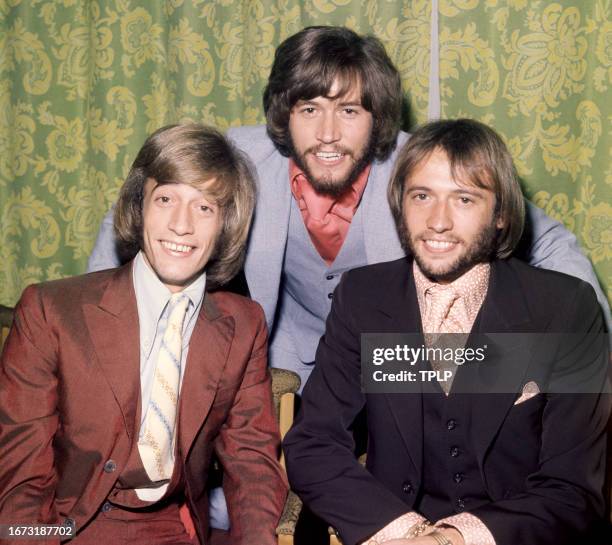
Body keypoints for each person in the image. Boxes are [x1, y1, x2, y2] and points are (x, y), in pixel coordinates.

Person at [88, 27, 610, 394]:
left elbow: (549, 240)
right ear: (283, 114)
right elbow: (129, 216)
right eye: (310, 109)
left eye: (350, 111)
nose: (329, 135)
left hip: (393, 359)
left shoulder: (422, 167)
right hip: (280, 355)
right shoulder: (241, 158)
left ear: (377, 117)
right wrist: (104, 338)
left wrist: (582, 352)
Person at [283, 119, 610, 545]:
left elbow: (574, 488)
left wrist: (453, 539)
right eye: (422, 196)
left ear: (501, 215)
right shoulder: (362, 298)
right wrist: (409, 534)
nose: (438, 221)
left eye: (464, 199)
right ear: (402, 204)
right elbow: (313, 443)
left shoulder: (566, 308)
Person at [0, 124, 287, 545]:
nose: (181, 225)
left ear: (226, 223)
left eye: (204, 207)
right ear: (140, 205)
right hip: (64, 525)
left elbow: (252, 464)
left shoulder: (243, 324)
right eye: (166, 199)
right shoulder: (51, 312)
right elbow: (20, 479)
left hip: (174, 527)